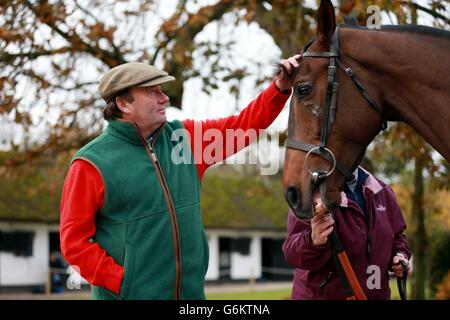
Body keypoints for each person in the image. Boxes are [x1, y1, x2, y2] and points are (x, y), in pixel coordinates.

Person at [60, 56, 300, 300]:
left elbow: (244, 126)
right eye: (153, 92)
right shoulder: (90, 163)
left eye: (162, 90)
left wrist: (280, 88)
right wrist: (125, 283)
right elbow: (74, 244)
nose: (165, 98)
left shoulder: (184, 138)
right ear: (123, 103)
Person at [282, 166, 412, 300]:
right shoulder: (310, 193)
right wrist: (313, 240)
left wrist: (400, 256)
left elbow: (397, 237)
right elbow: (292, 253)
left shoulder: (383, 192)